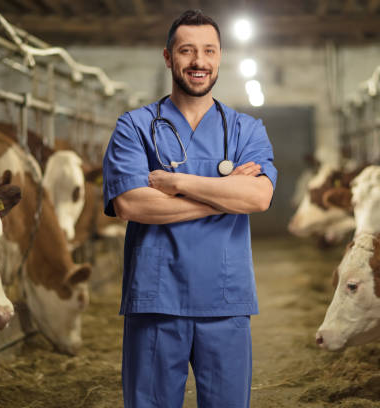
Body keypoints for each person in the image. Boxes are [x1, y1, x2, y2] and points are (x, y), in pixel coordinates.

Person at [102, 9, 277, 408]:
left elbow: (258, 198)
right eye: (187, 51)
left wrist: (179, 183)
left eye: (209, 51)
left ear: (220, 57)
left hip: (226, 301)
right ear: (168, 57)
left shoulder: (246, 129)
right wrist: (224, 196)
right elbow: (131, 203)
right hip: (156, 300)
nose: (199, 61)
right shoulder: (134, 127)